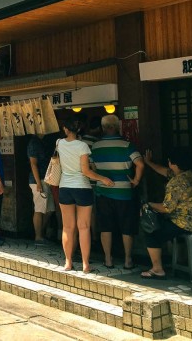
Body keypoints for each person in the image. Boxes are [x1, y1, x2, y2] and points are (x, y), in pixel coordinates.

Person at [57, 116, 115, 272]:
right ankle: (85, 264)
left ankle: (68, 262)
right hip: (82, 187)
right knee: (84, 227)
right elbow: (86, 171)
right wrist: (103, 178)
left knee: (67, 227)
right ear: (78, 129)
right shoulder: (82, 146)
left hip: (65, 187)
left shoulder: (59, 143)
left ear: (65, 129)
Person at [140, 148, 192, 279]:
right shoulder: (191, 175)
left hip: (185, 223)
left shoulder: (176, 183)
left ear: (173, 164)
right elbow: (165, 171)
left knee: (152, 233)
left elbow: (166, 208)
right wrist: (149, 162)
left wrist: (148, 204)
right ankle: (181, 261)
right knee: (168, 228)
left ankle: (157, 269)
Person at [91, 114, 145, 270]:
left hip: (103, 192)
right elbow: (140, 164)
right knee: (127, 227)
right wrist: (136, 180)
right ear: (117, 127)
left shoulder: (95, 146)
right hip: (124, 193)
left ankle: (108, 259)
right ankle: (128, 260)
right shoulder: (127, 145)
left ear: (103, 128)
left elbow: (93, 168)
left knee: (105, 227)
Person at [27, 133, 54, 245]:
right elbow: (33, 164)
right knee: (39, 209)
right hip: (38, 180)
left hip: (45, 179)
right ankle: (38, 237)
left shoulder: (44, 141)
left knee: (50, 209)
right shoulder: (34, 142)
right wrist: (38, 182)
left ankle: (40, 234)